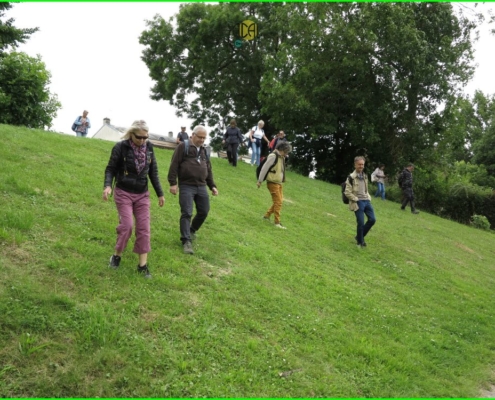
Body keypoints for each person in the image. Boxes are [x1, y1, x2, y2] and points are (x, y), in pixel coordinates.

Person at [103, 120, 165, 278]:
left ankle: (142, 266)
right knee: (127, 226)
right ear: (131, 134)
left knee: (144, 228)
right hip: (123, 192)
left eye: (145, 137)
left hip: (142, 194)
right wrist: (108, 186)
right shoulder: (120, 147)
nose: (143, 140)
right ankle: (116, 255)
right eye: (139, 137)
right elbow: (110, 169)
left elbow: (153, 172)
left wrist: (160, 193)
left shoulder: (149, 148)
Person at [168, 125, 219, 254]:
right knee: (187, 212)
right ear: (193, 135)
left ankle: (192, 230)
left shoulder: (205, 151)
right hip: (186, 185)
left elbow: (208, 170)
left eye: (204, 138)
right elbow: (174, 164)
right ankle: (186, 241)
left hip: (201, 186)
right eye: (200, 137)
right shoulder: (183, 147)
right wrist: (173, 183)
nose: (202, 140)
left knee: (204, 211)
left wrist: (212, 186)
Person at [257, 141, 292, 229]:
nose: (287, 154)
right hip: (272, 183)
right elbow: (264, 169)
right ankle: (277, 222)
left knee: (279, 201)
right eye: (286, 152)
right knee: (278, 202)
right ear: (282, 150)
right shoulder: (273, 156)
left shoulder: (282, 157)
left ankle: (266, 216)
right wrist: (260, 181)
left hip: (278, 183)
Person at [344, 156, 376, 248]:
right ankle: (360, 242)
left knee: (372, 219)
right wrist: (356, 199)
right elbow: (347, 192)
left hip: (366, 201)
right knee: (361, 222)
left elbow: (366, 189)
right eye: (359, 164)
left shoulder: (365, 176)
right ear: (355, 165)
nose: (361, 166)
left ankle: (359, 237)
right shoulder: (351, 177)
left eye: (362, 164)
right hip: (358, 202)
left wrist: (368, 197)